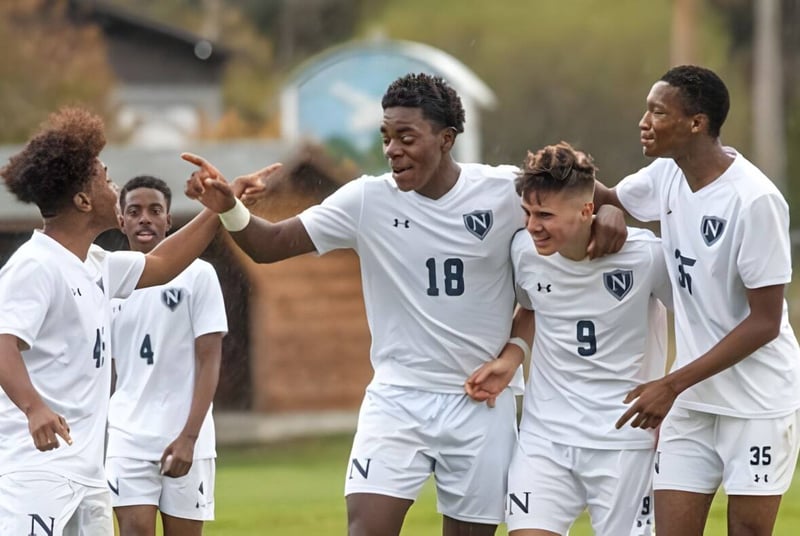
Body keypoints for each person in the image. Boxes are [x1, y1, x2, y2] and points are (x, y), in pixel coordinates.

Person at [182, 72, 549, 536]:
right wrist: (228, 207)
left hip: (480, 404)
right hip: (398, 398)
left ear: (446, 138)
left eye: (406, 137)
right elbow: (269, 244)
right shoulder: (367, 200)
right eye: (386, 137)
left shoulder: (505, 192)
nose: (392, 149)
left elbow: (581, 211)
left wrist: (614, 210)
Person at [0, 107, 240, 536]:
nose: (115, 187)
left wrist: (221, 208)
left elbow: (164, 262)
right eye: (106, 178)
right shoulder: (36, 265)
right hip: (36, 471)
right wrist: (34, 408)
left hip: (88, 475)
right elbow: (2, 342)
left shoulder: (96, 264)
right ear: (83, 200)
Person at [594, 65, 800, 536]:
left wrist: (670, 384)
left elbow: (764, 322)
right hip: (692, 401)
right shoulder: (666, 173)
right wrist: (606, 205)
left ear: (696, 123)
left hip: (757, 403)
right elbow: (610, 197)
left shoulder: (754, 200)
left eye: (657, 111)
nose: (644, 122)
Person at [466, 141, 672, 536]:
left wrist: (674, 389)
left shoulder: (645, 256)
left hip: (623, 441)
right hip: (545, 438)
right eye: (527, 213)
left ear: (585, 210)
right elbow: (530, 308)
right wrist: (511, 358)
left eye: (544, 215)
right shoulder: (524, 252)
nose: (531, 226)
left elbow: (700, 319)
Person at [105, 175, 228, 536]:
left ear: (169, 220)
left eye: (155, 210)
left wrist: (189, 436)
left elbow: (209, 360)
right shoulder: (107, 279)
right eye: (135, 210)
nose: (145, 218)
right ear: (121, 220)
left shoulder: (199, 275)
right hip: (127, 436)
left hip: (187, 437)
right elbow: (107, 369)